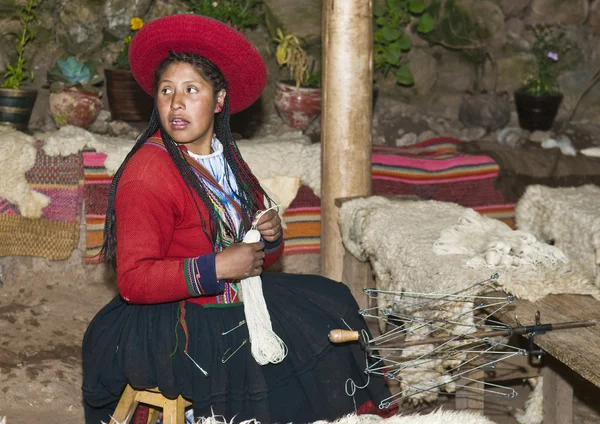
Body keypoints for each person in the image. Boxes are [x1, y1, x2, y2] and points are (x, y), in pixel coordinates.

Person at [82, 14, 394, 424]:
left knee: (333, 299)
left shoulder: (224, 157)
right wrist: (218, 266)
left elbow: (251, 241)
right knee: (267, 354)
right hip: (172, 320)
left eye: (191, 90)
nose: (176, 103)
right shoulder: (148, 172)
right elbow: (134, 281)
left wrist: (270, 235)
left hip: (230, 296)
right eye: (166, 91)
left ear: (219, 100)